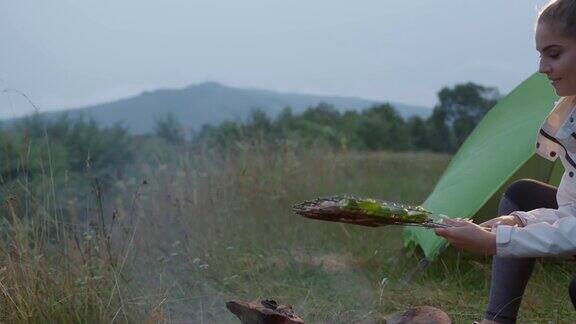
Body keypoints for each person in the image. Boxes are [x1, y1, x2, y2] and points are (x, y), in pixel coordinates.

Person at [434, 1, 576, 323]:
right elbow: (573, 211)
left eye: (553, 54)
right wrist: (519, 222)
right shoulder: (570, 113)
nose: (542, 68)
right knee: (521, 196)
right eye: (540, 55)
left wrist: (495, 242)